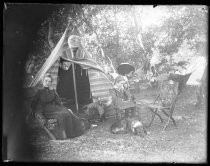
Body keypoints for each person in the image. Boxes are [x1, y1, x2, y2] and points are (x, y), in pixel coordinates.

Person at [31, 73, 89, 140]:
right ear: (43, 81)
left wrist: (64, 108)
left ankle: (72, 134)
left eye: (49, 81)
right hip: (45, 110)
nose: (47, 83)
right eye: (46, 81)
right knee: (61, 115)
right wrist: (37, 113)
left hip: (54, 108)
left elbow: (58, 102)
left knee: (67, 113)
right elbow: (33, 104)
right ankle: (63, 135)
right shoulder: (39, 92)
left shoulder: (52, 90)